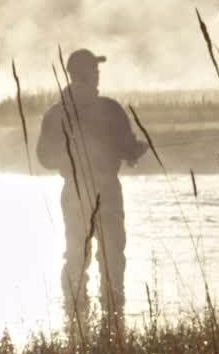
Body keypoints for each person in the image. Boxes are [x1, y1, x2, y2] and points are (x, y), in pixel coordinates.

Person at [36, 49, 148, 322]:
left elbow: (44, 158)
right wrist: (137, 150)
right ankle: (114, 315)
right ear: (86, 73)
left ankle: (75, 313)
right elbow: (128, 148)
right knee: (112, 253)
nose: (98, 74)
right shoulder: (110, 109)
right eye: (94, 70)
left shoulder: (54, 113)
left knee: (76, 252)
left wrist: (72, 160)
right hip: (107, 189)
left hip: (73, 190)